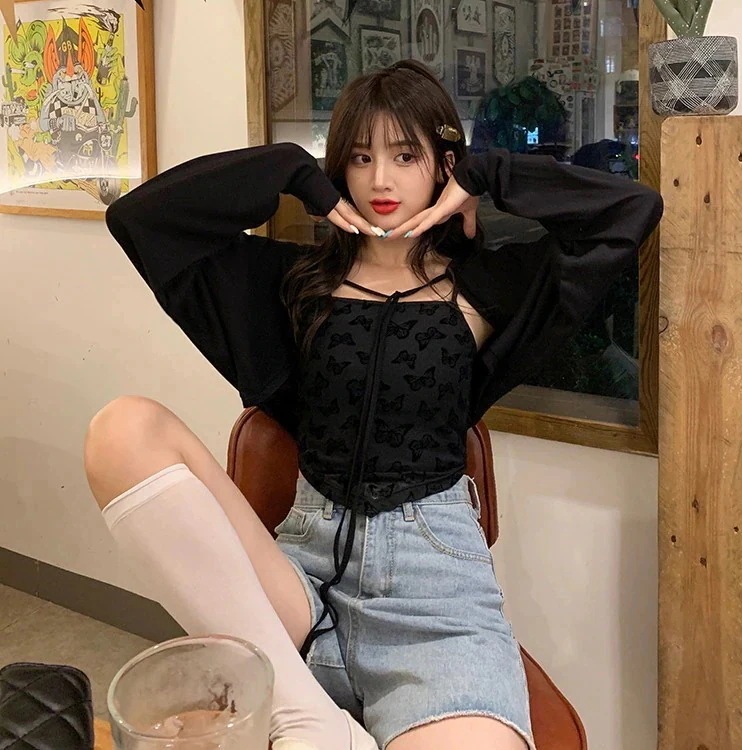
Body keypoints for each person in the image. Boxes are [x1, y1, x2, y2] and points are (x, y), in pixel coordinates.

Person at [84, 60, 663, 750]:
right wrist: (288, 170)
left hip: (434, 593)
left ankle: (304, 714)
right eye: (360, 158)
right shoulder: (292, 283)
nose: (380, 180)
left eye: (405, 156)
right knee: (123, 429)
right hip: (299, 580)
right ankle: (304, 712)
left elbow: (630, 211)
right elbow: (140, 219)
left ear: (442, 165)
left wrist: (487, 174)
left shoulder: (489, 283)